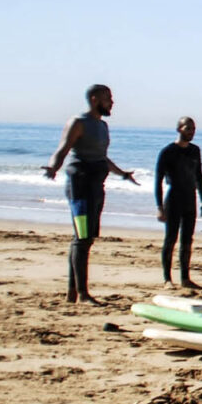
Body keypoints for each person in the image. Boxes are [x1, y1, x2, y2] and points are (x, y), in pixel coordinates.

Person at [42, 84, 139, 304]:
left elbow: (102, 157)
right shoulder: (78, 122)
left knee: (86, 238)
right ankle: (83, 294)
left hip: (97, 187)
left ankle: (72, 292)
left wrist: (122, 174)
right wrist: (53, 168)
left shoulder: (102, 126)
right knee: (82, 237)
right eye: (108, 99)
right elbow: (63, 149)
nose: (112, 102)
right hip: (80, 188)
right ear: (95, 99)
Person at [154, 116, 202, 289]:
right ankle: (167, 279)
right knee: (170, 239)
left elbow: (199, 176)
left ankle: (185, 278)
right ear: (179, 129)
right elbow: (158, 180)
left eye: (193, 129)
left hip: (189, 200)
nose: (191, 132)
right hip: (174, 199)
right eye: (188, 128)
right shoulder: (168, 151)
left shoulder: (195, 151)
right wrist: (159, 208)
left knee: (187, 240)